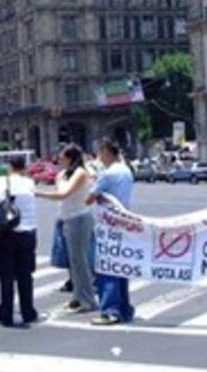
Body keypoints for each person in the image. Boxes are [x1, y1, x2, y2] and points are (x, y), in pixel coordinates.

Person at [36, 144, 96, 313]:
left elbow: (63, 194)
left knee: (80, 261)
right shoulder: (63, 174)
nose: (59, 160)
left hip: (79, 218)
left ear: (71, 158)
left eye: (62, 157)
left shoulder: (80, 173)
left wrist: (37, 192)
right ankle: (77, 297)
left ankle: (88, 300)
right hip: (68, 218)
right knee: (73, 262)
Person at [0, 155, 39, 327]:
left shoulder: (1, 182)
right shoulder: (29, 183)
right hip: (28, 232)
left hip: (6, 234)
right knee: (25, 275)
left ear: (9, 166)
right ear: (24, 167)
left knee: (6, 276)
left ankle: (6, 313)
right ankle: (28, 311)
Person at [86, 139, 135, 326]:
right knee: (121, 267)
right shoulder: (126, 171)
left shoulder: (107, 174)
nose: (100, 158)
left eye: (101, 154)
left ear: (107, 152)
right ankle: (124, 308)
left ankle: (110, 310)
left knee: (107, 268)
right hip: (124, 222)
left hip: (108, 225)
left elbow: (89, 199)